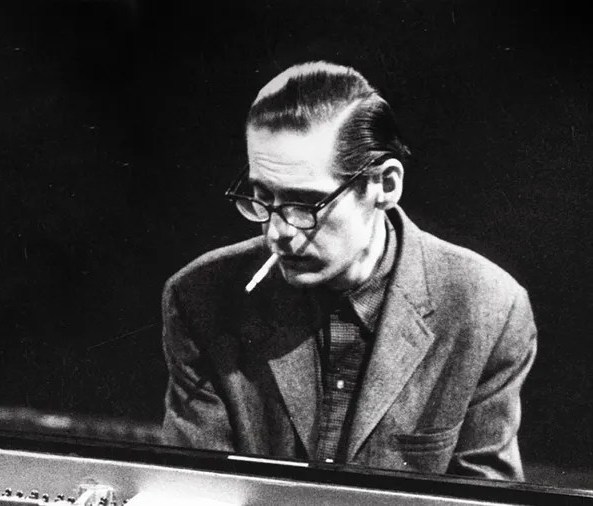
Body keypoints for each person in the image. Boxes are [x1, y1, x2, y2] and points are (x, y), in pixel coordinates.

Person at [160, 61, 537, 480]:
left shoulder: (488, 310)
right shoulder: (200, 297)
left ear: (385, 185)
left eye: (306, 203)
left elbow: (484, 499)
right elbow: (195, 489)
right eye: (262, 196)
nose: (277, 233)